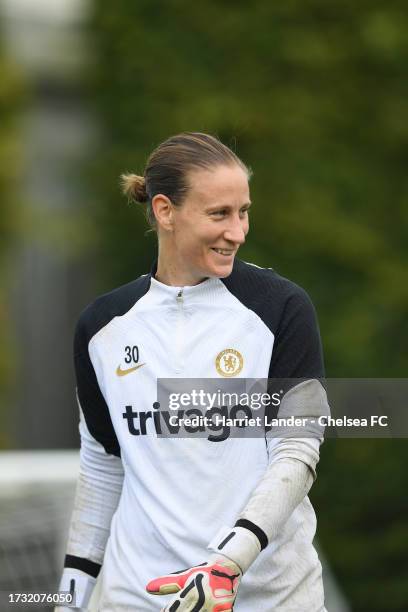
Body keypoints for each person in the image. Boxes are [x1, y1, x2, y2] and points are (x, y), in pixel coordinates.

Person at [57, 132, 329, 611]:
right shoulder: (101, 328)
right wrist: (69, 598)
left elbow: (297, 451)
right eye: (219, 214)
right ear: (165, 211)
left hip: (266, 598)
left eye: (243, 212)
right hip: (139, 597)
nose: (238, 232)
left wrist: (226, 566)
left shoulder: (282, 307)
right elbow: (103, 466)